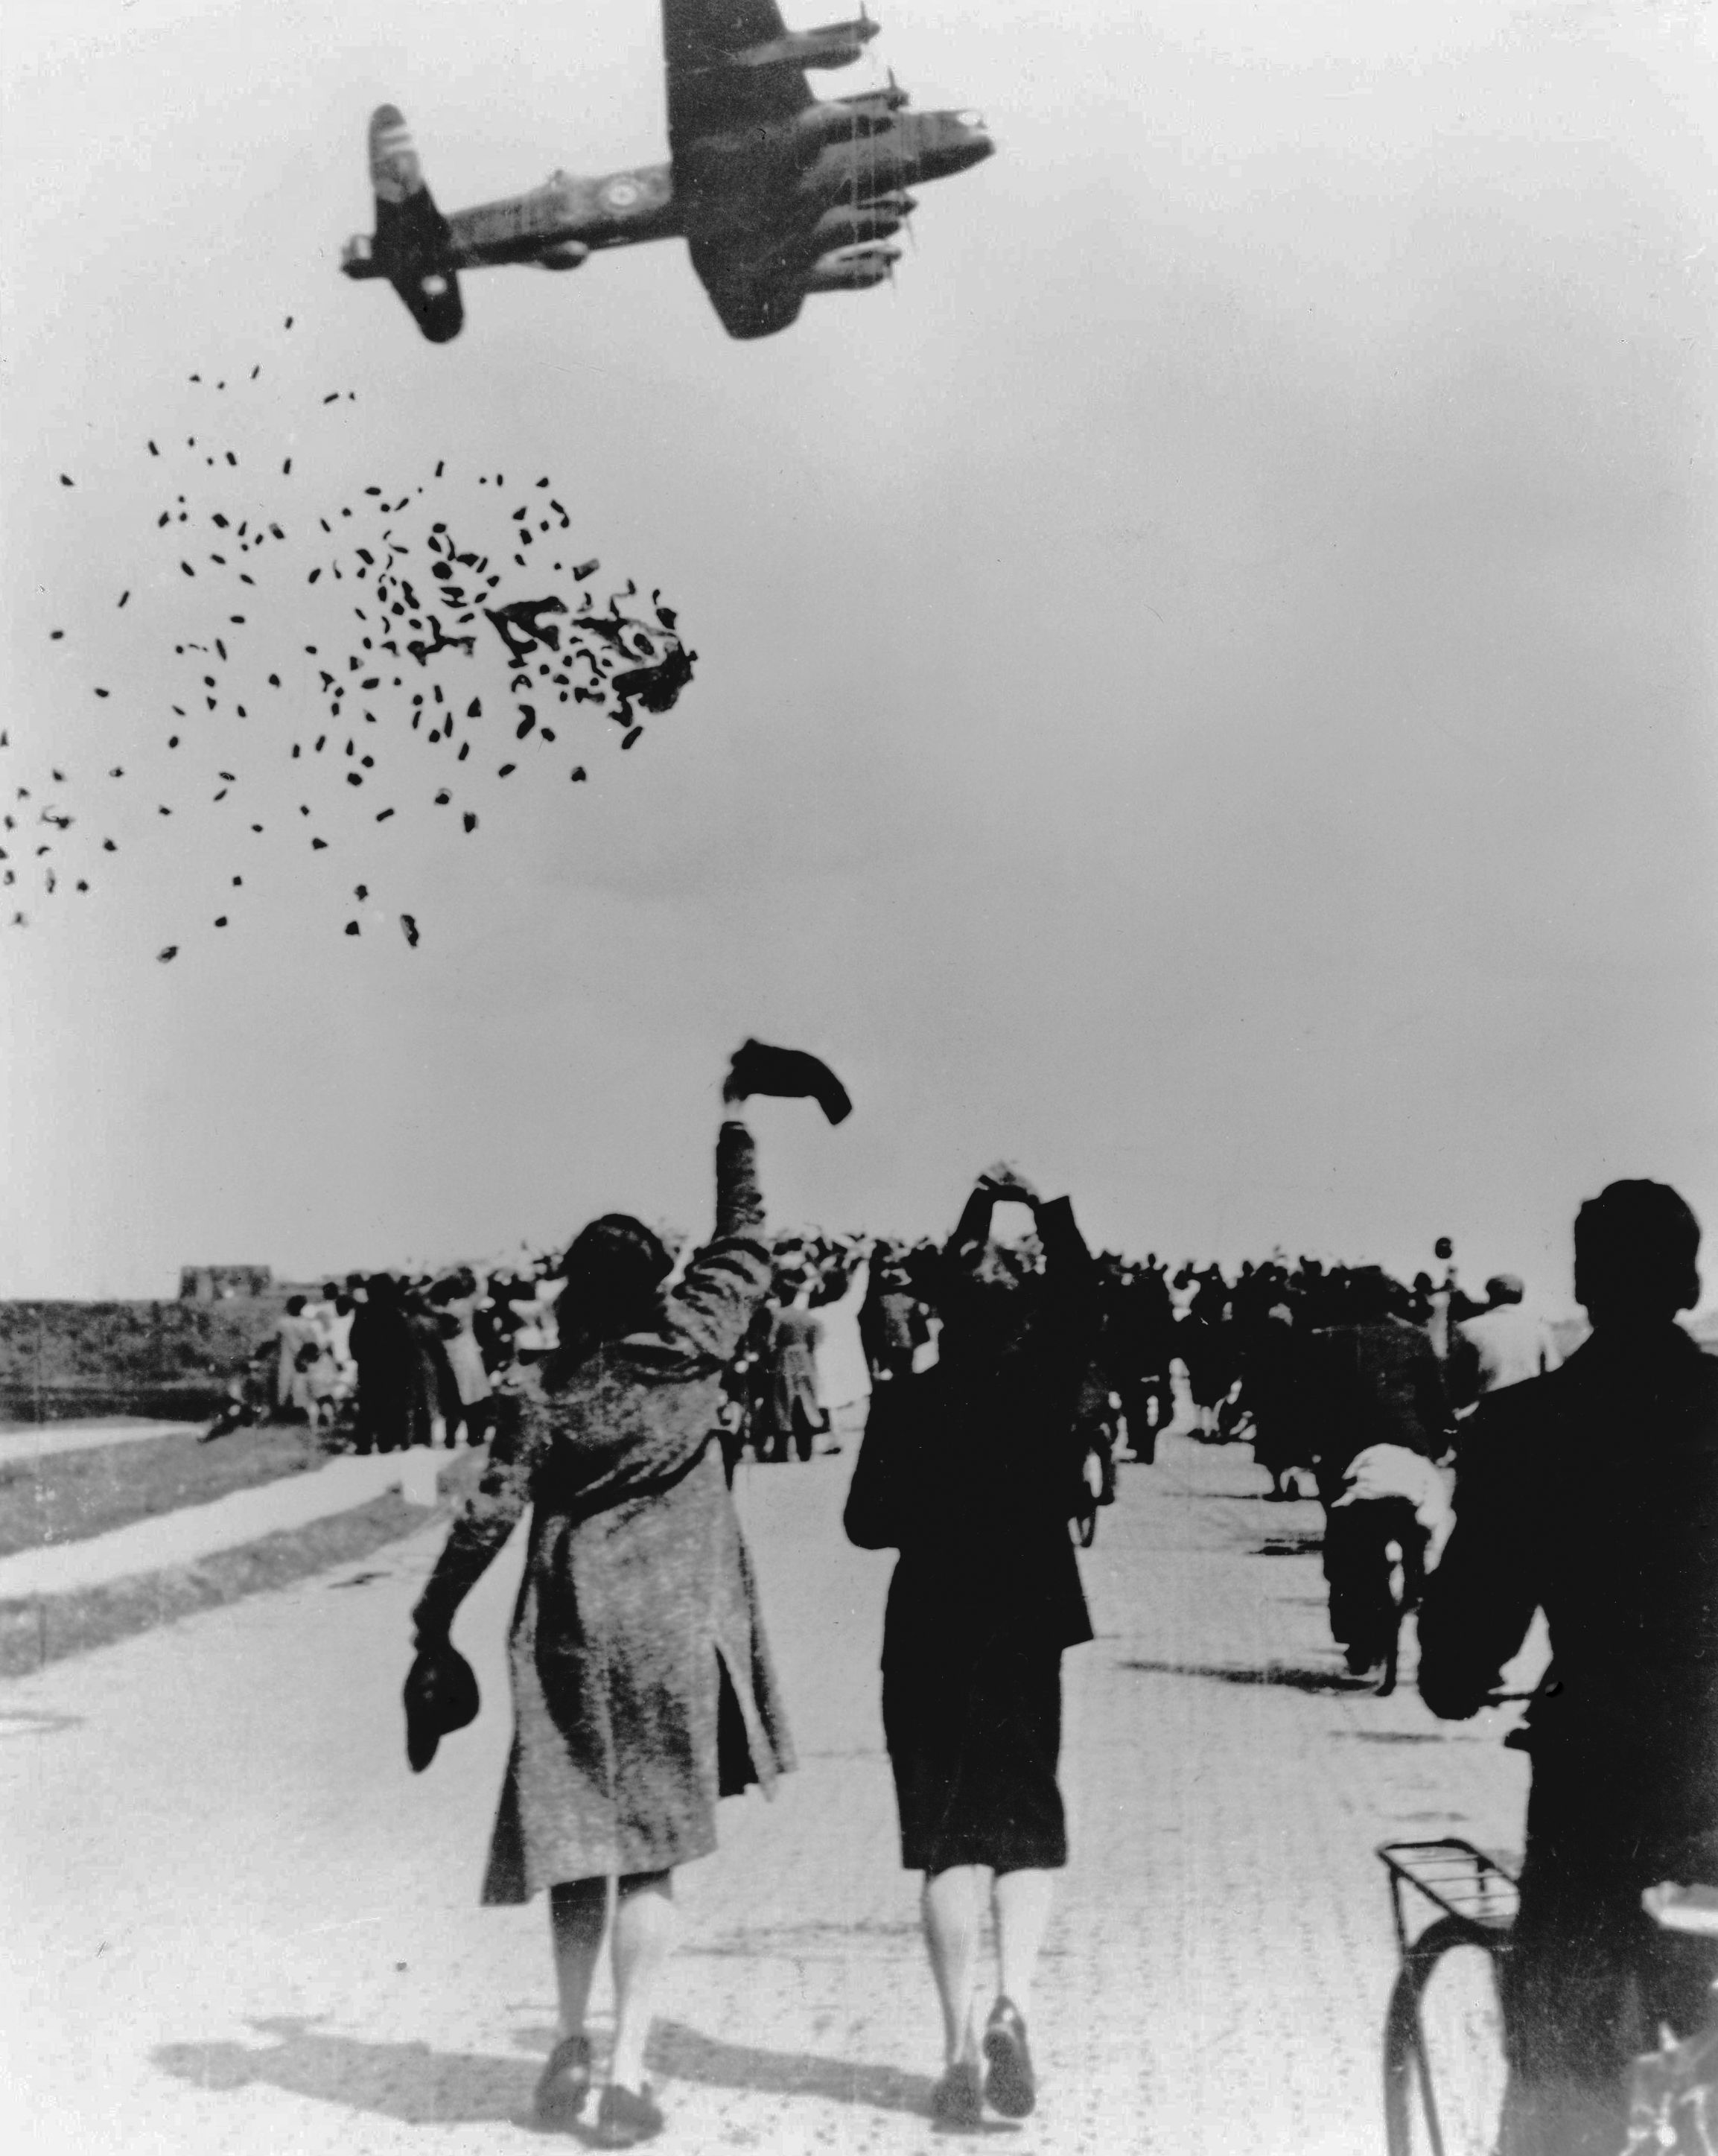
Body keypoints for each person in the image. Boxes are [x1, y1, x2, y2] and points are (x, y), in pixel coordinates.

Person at [408, 1061, 807, 2147]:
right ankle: (627, 2068)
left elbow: (487, 1514)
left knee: (577, 1841)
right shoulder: (702, 1339)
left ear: (572, 1291)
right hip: (677, 1635)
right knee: (655, 1851)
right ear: (659, 1281)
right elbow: (747, 1234)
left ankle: (570, 2036)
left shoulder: (546, 1389)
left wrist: (431, 1619)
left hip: (568, 1634)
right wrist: (733, 1118)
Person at [1418, 1180, 1718, 2156]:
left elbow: (1466, 1632)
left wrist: (1454, 1674)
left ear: (1584, 1280)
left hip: (1599, 1781)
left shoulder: (1527, 1427)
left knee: (1561, 2045)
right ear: (1688, 1278)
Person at [844, 1162, 1098, 2128]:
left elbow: (866, 1522)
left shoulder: (907, 1398)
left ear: (940, 1310)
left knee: (945, 1836)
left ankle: (954, 2046)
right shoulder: (1045, 1384)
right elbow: (1080, 1296)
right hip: (1026, 1620)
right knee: (1025, 1821)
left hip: (926, 1629)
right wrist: (1043, 1201)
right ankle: (1013, 2000)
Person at [1447, 1273, 1562, 1414]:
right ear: (1520, 1297)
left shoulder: (1466, 1329)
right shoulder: (1541, 1329)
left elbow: (1457, 1383)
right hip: (1530, 1413)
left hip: (1486, 1416)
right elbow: (1554, 1377)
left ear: (1490, 1295)